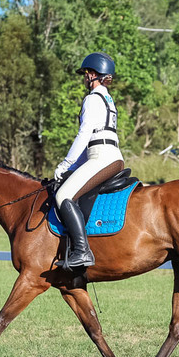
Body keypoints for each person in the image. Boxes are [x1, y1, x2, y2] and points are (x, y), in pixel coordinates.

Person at [54, 52, 125, 268]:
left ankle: (82, 252)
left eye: (86, 73)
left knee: (63, 195)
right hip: (111, 156)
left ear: (94, 74)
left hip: (102, 157)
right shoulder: (108, 101)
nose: (84, 77)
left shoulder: (93, 99)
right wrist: (75, 167)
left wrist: (65, 164)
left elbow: (84, 135)